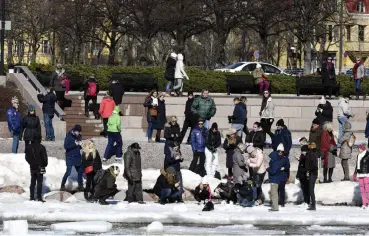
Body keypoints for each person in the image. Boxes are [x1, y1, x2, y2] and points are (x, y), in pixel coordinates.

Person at [61, 124, 83, 191]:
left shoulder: (79, 136)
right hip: (70, 157)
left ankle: (80, 185)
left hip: (77, 156)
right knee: (68, 172)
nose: (78, 133)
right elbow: (66, 147)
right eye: (77, 131)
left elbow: (78, 147)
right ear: (74, 130)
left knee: (80, 171)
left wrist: (80, 145)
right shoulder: (68, 137)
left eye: (79, 132)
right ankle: (62, 185)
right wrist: (75, 144)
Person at [268, 143, 283, 212]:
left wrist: (268, 169)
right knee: (274, 193)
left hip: (274, 179)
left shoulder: (275, 162)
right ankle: (275, 206)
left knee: (274, 194)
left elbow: (273, 171)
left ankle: (275, 207)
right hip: (275, 179)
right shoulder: (276, 161)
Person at [305, 142, 320, 211]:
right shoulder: (315, 153)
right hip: (314, 173)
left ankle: (313, 205)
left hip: (312, 173)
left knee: (311, 189)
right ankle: (312, 203)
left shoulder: (310, 154)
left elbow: (312, 165)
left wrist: (308, 170)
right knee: (311, 189)